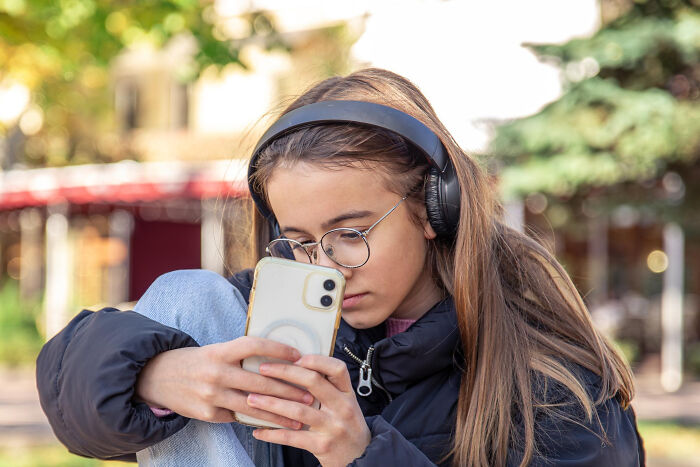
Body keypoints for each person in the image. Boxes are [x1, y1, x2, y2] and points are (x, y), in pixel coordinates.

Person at [36, 68, 644, 466]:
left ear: (436, 210)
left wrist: (363, 454)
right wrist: (156, 378)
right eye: (298, 239)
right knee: (186, 297)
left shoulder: (550, 385)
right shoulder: (271, 304)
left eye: (350, 234)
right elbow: (67, 376)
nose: (326, 268)